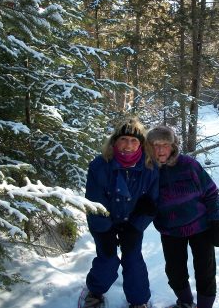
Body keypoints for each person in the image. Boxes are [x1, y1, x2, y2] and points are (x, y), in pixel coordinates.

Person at [82, 117, 159, 308]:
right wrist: (105, 231)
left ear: (140, 144)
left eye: (134, 141)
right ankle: (95, 291)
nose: (128, 145)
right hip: (104, 221)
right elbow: (94, 202)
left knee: (133, 259)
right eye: (123, 139)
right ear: (114, 141)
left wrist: (136, 227)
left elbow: (153, 201)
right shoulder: (100, 165)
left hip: (132, 222)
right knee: (107, 259)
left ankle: (139, 301)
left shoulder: (150, 167)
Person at [147, 125, 219, 308]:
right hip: (170, 230)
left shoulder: (189, 165)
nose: (160, 150)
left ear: (173, 146)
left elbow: (211, 193)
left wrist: (216, 221)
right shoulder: (149, 171)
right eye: (155, 145)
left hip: (201, 227)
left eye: (165, 144)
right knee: (175, 272)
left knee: (205, 272)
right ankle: (185, 302)